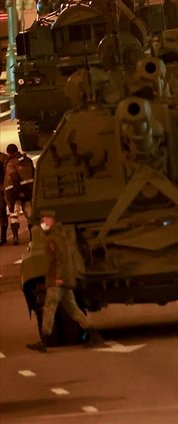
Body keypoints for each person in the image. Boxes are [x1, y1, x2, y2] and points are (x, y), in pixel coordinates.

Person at [27, 211, 103, 352]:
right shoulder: (54, 235)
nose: (43, 222)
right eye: (42, 220)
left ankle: (44, 340)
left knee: (49, 307)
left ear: (52, 220)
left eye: (45, 219)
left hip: (57, 280)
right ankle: (95, 335)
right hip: (60, 279)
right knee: (73, 310)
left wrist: (59, 278)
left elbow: (62, 259)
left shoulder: (55, 238)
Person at [3, 144, 34, 245]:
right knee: (29, 213)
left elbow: (13, 176)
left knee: (14, 214)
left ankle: (16, 237)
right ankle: (32, 236)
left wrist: (18, 191)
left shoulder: (10, 163)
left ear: (9, 153)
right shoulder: (27, 160)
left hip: (13, 191)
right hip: (28, 190)